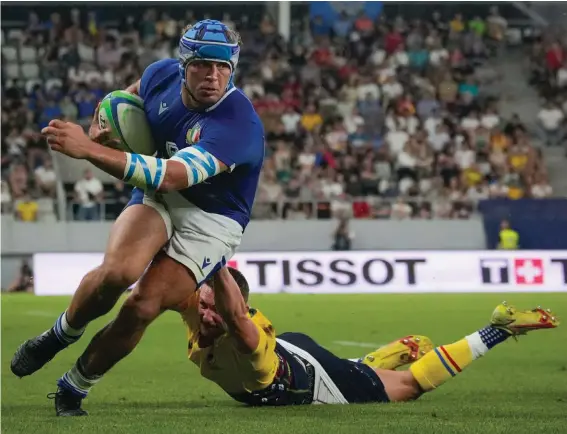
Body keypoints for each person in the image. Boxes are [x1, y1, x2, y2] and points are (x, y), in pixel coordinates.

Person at [11, 20, 265, 417]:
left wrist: (87, 151)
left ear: (232, 69)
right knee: (117, 272)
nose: (212, 75)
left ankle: (74, 386)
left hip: (211, 218)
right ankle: (59, 334)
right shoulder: (159, 75)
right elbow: (119, 100)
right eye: (201, 65)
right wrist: (99, 127)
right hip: (160, 188)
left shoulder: (238, 122)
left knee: (142, 306)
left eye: (222, 67)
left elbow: (171, 177)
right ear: (183, 65)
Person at [184, 266, 559, 406]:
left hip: (307, 380)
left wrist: (217, 258)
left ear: (236, 309)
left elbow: (236, 318)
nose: (203, 313)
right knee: (358, 372)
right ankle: (378, 360)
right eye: (201, 304)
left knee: (410, 386)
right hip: (293, 351)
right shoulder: (201, 317)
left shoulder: (245, 336)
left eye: (213, 307)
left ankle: (497, 329)